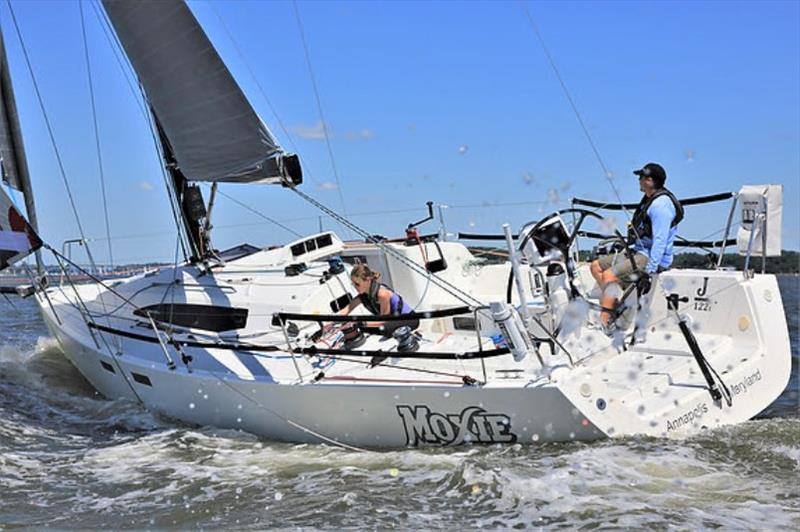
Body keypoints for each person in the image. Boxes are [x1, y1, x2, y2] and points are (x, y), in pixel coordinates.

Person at [590, 162, 684, 329]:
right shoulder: (648, 199)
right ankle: (615, 301)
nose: (638, 181)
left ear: (649, 180)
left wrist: (650, 271)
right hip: (637, 250)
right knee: (596, 266)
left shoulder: (661, 205)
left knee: (609, 275)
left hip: (650, 257)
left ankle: (606, 325)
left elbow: (660, 241)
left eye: (641, 177)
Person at [337, 264, 419, 335]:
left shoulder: (382, 294)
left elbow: (383, 320)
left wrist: (359, 323)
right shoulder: (363, 296)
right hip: (391, 322)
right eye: (353, 284)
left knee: (383, 328)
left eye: (357, 284)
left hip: (409, 319)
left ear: (368, 280)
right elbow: (347, 309)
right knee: (362, 328)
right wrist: (331, 323)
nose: (355, 287)